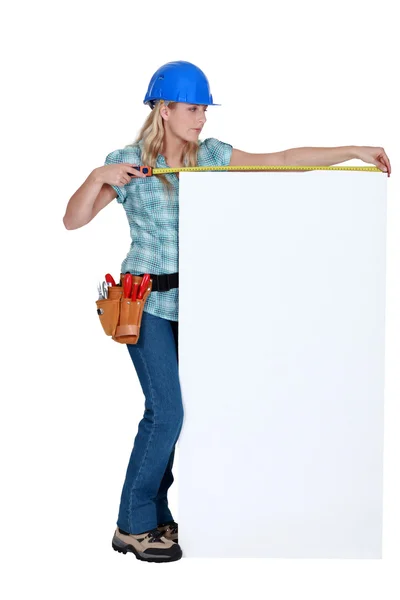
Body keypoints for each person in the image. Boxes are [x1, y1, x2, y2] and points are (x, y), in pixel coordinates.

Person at [63, 60, 391, 563]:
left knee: (185, 416)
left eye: (203, 110)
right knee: (165, 411)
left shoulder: (212, 156)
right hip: (145, 304)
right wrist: (96, 176)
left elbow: (280, 158)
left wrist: (352, 151)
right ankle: (132, 524)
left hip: (206, 309)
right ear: (164, 109)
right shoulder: (126, 162)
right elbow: (73, 220)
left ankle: (154, 514)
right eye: (193, 109)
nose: (201, 118)